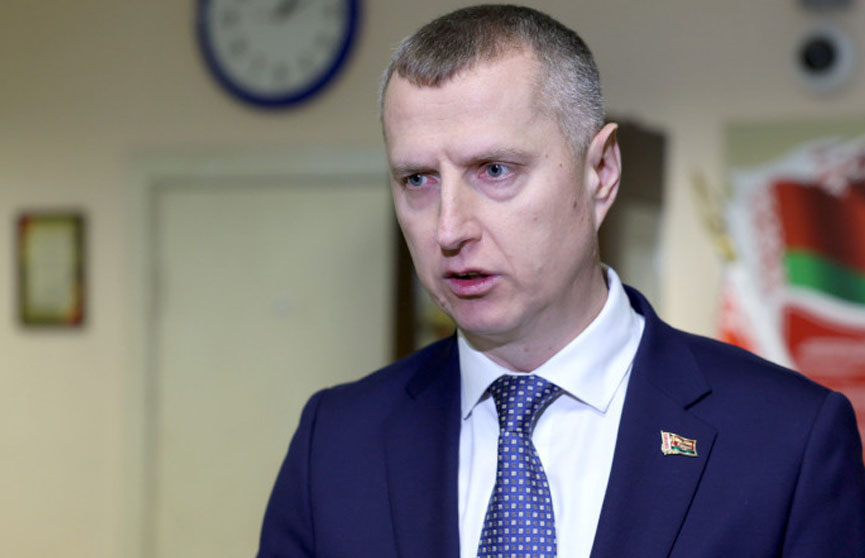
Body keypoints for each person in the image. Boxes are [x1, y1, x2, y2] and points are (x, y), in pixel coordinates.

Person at [258, 5, 865, 557]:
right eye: (417, 179)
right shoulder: (334, 443)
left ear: (601, 171)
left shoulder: (788, 440)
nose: (448, 229)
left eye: (495, 170)